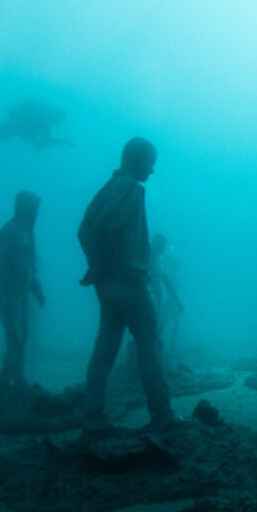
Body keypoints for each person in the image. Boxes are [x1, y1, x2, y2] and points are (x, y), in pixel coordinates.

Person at [79, 138, 178, 434]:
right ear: (136, 161)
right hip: (130, 283)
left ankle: (93, 415)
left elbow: (84, 230)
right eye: (150, 163)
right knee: (150, 346)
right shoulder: (131, 190)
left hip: (108, 285)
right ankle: (162, 414)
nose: (152, 171)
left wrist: (97, 267)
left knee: (105, 350)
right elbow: (104, 227)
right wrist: (115, 266)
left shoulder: (106, 189)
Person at [0, 191, 46, 393]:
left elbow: (29, 265)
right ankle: (19, 379)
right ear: (23, 207)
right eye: (32, 207)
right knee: (15, 336)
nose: (35, 212)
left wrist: (36, 289)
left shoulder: (29, 233)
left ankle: (4, 377)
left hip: (22, 293)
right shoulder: (9, 231)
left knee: (23, 334)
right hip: (8, 294)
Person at [150, 234, 185, 350]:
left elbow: (168, 284)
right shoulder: (149, 259)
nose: (162, 248)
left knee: (161, 324)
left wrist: (178, 302)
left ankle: (166, 350)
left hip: (161, 300)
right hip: (150, 299)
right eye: (161, 245)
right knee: (158, 324)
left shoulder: (161, 261)